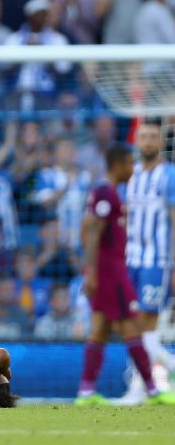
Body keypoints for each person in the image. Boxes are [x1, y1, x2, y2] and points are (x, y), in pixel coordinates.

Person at [75, 143, 175, 405]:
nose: (133, 169)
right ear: (117, 164)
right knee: (133, 327)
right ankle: (153, 389)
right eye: (130, 163)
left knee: (98, 330)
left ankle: (86, 392)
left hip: (108, 269)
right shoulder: (106, 192)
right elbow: (92, 230)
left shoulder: (106, 192)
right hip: (112, 272)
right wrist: (93, 272)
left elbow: (86, 226)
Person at [120, 119, 175, 403]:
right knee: (131, 325)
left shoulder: (169, 175)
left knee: (145, 324)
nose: (149, 141)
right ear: (137, 141)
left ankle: (138, 389)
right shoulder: (133, 174)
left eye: (154, 136)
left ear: (161, 141)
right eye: (144, 136)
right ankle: (165, 369)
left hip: (159, 260)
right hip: (132, 261)